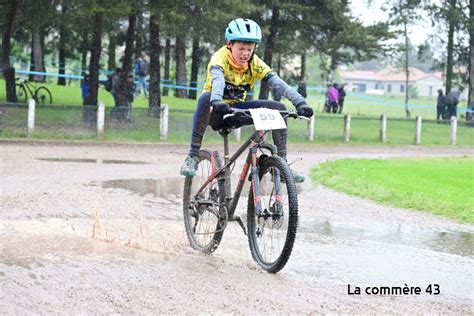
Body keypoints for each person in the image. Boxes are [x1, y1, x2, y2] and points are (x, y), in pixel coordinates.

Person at [179, 18, 313, 183]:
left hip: (236, 111)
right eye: (241, 48)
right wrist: (217, 100)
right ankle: (192, 156)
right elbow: (218, 80)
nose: (245, 53)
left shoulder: (254, 63)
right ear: (229, 44)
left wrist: (300, 102)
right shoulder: (219, 58)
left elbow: (278, 83)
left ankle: (282, 164)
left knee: (279, 108)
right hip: (214, 111)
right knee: (206, 98)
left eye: (249, 49)